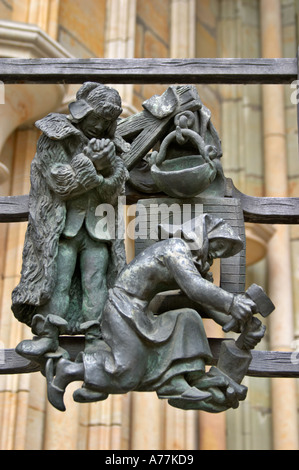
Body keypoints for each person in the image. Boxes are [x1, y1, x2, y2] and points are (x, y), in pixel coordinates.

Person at [45, 214, 263, 413]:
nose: (218, 253)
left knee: (187, 318)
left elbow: (208, 305)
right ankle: (69, 371)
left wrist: (242, 324)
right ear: (203, 235)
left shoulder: (195, 268)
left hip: (142, 314)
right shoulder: (176, 249)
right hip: (123, 308)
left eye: (223, 252)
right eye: (219, 245)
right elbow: (193, 287)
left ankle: (180, 380)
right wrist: (233, 302)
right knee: (127, 372)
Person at [12, 82, 129, 359]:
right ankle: (48, 334)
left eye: (107, 121)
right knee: (57, 279)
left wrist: (108, 169)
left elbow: (113, 191)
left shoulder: (113, 146)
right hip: (62, 227)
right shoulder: (56, 136)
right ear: (82, 113)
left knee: (95, 281)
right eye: (96, 117)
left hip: (98, 228)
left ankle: (96, 336)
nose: (99, 126)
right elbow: (60, 181)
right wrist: (92, 164)